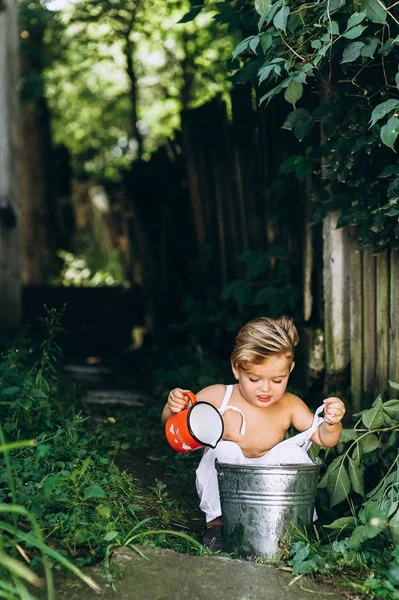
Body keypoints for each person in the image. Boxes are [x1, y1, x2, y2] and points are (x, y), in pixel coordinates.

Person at [161, 316, 345, 552]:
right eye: (255, 379)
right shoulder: (219, 396)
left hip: (269, 483)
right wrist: (174, 407)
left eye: (278, 380)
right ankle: (217, 525)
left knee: (293, 452)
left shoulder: (290, 404)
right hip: (227, 480)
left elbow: (324, 438)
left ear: (290, 369)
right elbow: (174, 424)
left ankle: (296, 523)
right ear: (236, 368)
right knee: (223, 448)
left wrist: (331, 422)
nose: (266, 388)